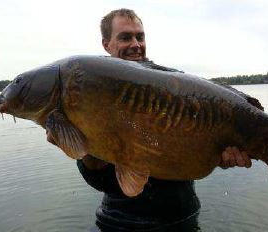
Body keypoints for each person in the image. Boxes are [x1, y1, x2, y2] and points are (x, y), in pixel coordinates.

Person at [77, 8, 251, 232]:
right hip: (119, 220)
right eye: (125, 37)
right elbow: (98, 180)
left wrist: (221, 154)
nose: (135, 44)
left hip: (182, 217)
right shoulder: (92, 92)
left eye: (140, 36)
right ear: (106, 45)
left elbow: (202, 149)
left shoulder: (175, 84)